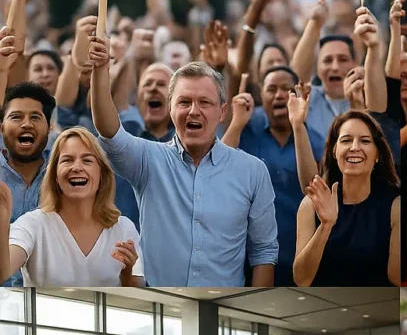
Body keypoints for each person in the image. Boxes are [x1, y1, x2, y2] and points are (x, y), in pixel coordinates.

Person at [88, 38, 279, 287]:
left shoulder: (253, 171)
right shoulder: (148, 160)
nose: (193, 111)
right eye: (184, 102)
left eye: (204, 103)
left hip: (225, 311)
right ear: (171, 109)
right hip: (159, 310)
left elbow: (263, 253)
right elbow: (109, 131)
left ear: (222, 113)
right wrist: (100, 71)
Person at [0, 125, 142, 287]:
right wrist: (2, 219)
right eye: (67, 160)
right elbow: (3, 272)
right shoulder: (32, 225)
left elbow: (142, 293)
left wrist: (127, 274)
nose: (77, 167)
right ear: (54, 175)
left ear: (101, 174)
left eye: (87, 160)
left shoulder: (123, 228)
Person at [222, 67, 325, 287]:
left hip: (297, 250)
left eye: (286, 89)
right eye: (271, 89)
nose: (279, 95)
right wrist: (237, 123)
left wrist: (298, 125)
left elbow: (313, 190)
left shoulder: (315, 141)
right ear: (262, 95)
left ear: (298, 95)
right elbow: (214, 172)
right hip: (246, 256)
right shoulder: (247, 132)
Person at [293, 110, 400, 287]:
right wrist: (326, 226)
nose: (354, 147)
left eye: (365, 141)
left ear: (377, 154)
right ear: (335, 151)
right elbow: (301, 280)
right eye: (346, 140)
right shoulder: (311, 204)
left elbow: (396, 278)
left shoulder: (394, 206)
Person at [0, 80, 54, 287]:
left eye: (35, 117)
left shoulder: (64, 173)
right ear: (1, 127)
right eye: (16, 117)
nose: (26, 124)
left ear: (49, 127)